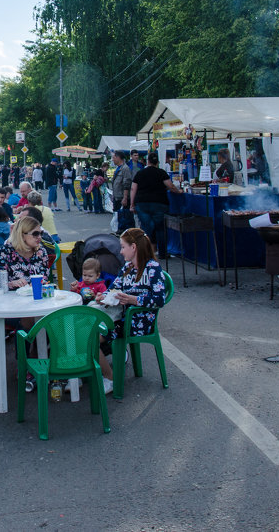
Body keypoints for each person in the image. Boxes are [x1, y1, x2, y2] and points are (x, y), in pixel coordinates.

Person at [94, 227, 167, 395]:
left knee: (90, 338)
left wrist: (133, 300)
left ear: (133, 247)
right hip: (122, 316)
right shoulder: (127, 267)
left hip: (138, 320)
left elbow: (159, 299)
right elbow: (114, 288)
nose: (120, 251)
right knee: (86, 331)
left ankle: (110, 377)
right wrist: (103, 296)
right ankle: (103, 374)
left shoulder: (153, 268)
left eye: (122, 247)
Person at [131, 152, 180, 258]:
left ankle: (147, 254)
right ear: (157, 162)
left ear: (147, 161)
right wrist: (179, 191)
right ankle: (162, 253)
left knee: (146, 228)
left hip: (142, 203)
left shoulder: (140, 173)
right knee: (160, 229)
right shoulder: (161, 173)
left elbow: (133, 189)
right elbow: (170, 186)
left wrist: (132, 204)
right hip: (159, 203)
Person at [0, 216, 52, 290]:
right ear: (22, 235)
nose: (39, 237)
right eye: (35, 234)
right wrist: (12, 284)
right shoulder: (6, 251)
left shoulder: (41, 252)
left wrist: (39, 284)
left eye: (41, 233)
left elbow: (45, 279)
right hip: (12, 298)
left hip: (35, 296)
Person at [110, 150, 133, 217]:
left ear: (118, 158)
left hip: (121, 198)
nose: (112, 160)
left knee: (124, 218)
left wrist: (125, 198)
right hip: (117, 197)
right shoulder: (118, 168)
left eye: (113, 158)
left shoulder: (125, 168)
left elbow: (127, 184)